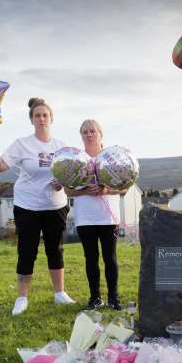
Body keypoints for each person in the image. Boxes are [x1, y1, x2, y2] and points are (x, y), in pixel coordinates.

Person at [0, 98, 75, 315]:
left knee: (56, 249)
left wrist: (63, 181)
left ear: (51, 118)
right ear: (32, 120)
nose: (42, 119)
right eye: (37, 115)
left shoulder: (62, 146)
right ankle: (22, 298)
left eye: (45, 115)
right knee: (27, 251)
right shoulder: (22, 144)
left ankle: (59, 293)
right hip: (27, 206)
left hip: (56, 206)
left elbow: (73, 175)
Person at [65, 119, 125, 310]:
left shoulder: (111, 158)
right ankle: (95, 298)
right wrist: (84, 191)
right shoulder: (75, 160)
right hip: (85, 218)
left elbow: (124, 187)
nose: (89, 135)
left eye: (92, 131)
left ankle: (113, 298)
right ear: (81, 136)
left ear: (100, 134)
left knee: (110, 257)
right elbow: (67, 191)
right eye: (85, 132)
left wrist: (106, 190)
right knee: (90, 258)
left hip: (108, 218)